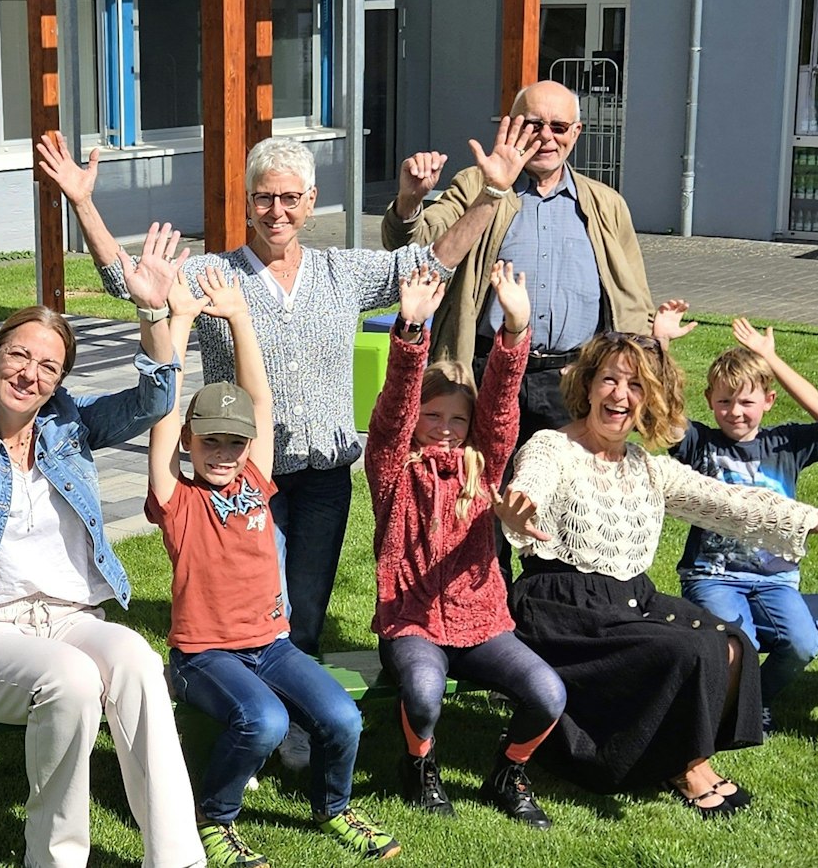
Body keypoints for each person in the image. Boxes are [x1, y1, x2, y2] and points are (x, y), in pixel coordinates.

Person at [39, 129, 530, 769]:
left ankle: (293, 728)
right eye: (265, 198)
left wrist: (492, 193)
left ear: (311, 201)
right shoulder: (216, 275)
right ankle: (253, 721)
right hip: (245, 481)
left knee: (304, 611)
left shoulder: (340, 272)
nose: (277, 211)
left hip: (324, 478)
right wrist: (84, 203)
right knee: (252, 613)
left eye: (291, 199)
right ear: (247, 201)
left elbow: (433, 263)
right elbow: (129, 281)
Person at [0, 226, 204, 868]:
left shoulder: (70, 424)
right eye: (20, 356)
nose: (30, 375)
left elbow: (157, 397)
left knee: (137, 658)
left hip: (69, 619)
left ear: (59, 382)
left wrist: (151, 311)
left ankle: (176, 858)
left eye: (48, 366)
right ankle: (55, 859)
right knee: (73, 681)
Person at [499, 331, 818, 816]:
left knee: (731, 642)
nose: (620, 396)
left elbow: (735, 504)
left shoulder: (647, 468)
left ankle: (688, 755)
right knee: (685, 649)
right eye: (609, 380)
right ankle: (685, 766)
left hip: (630, 599)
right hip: (560, 606)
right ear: (588, 386)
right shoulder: (552, 447)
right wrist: (521, 505)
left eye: (635, 386)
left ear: (648, 400)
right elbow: (531, 481)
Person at [148, 269, 399, 867]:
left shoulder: (257, 481)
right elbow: (160, 415)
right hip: (203, 656)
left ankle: (333, 808)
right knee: (263, 722)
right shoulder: (175, 500)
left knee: (343, 718)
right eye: (210, 441)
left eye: (235, 443)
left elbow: (259, 402)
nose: (224, 453)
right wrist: (179, 323)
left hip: (272, 645)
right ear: (189, 441)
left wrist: (239, 317)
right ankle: (215, 815)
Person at [366, 263, 567, 828]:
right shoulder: (390, 467)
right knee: (426, 692)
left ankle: (509, 771)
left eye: (458, 418)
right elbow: (393, 410)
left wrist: (515, 332)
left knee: (547, 692)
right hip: (410, 621)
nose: (445, 427)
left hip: (481, 622)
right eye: (432, 416)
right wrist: (410, 333)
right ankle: (420, 765)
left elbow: (502, 407)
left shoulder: (485, 465)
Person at [383, 79, 657, 447]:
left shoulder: (606, 204)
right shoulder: (476, 185)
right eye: (532, 125)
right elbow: (415, 247)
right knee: (482, 491)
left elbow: (634, 296)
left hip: (573, 379)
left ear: (575, 134)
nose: (546, 137)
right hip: (488, 372)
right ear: (511, 127)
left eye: (558, 127)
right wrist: (409, 202)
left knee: (566, 496)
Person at [672, 320, 818, 729]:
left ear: (769, 400)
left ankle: (753, 698)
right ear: (709, 400)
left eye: (746, 402)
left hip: (775, 579)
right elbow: (663, 412)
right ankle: (731, 712)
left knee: (803, 644)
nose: (735, 412)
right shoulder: (700, 443)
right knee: (738, 643)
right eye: (724, 401)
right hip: (714, 575)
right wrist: (660, 344)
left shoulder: (788, 443)